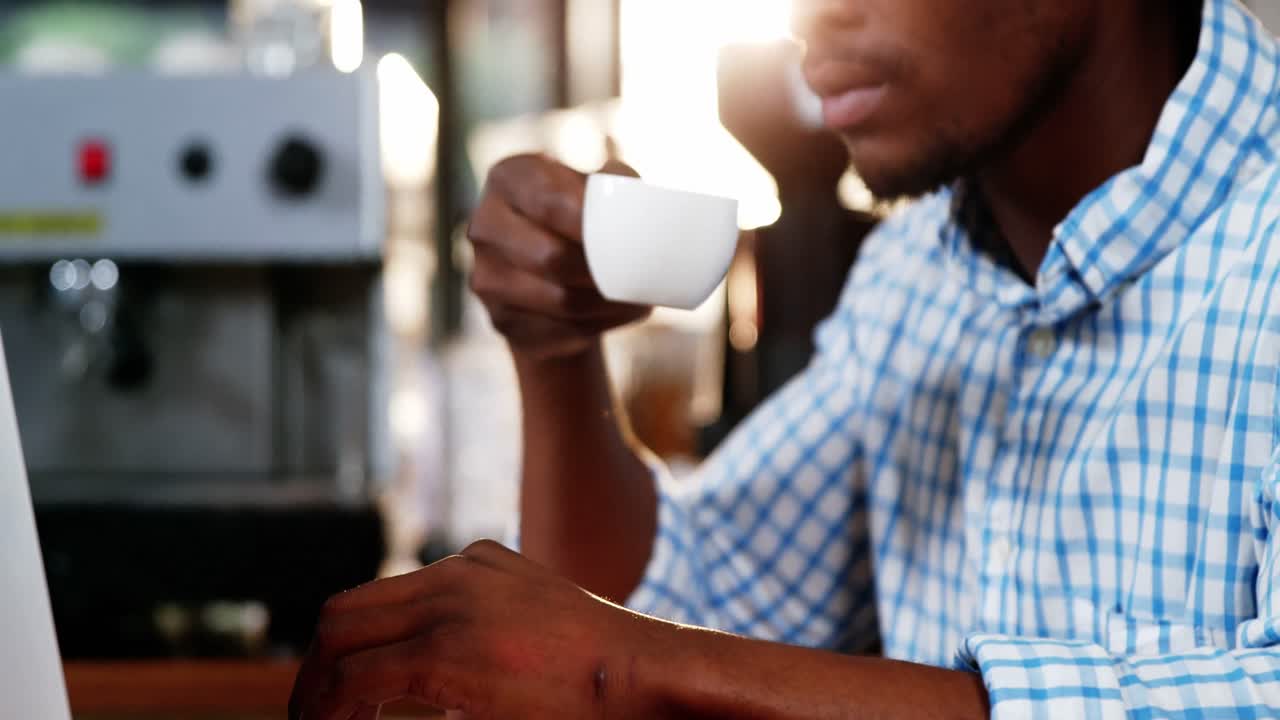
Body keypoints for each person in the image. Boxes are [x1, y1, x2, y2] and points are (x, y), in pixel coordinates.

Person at [289, 0, 1280, 716]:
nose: (804, 21)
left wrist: (622, 670)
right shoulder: (916, 273)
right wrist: (554, 351)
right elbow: (678, 610)